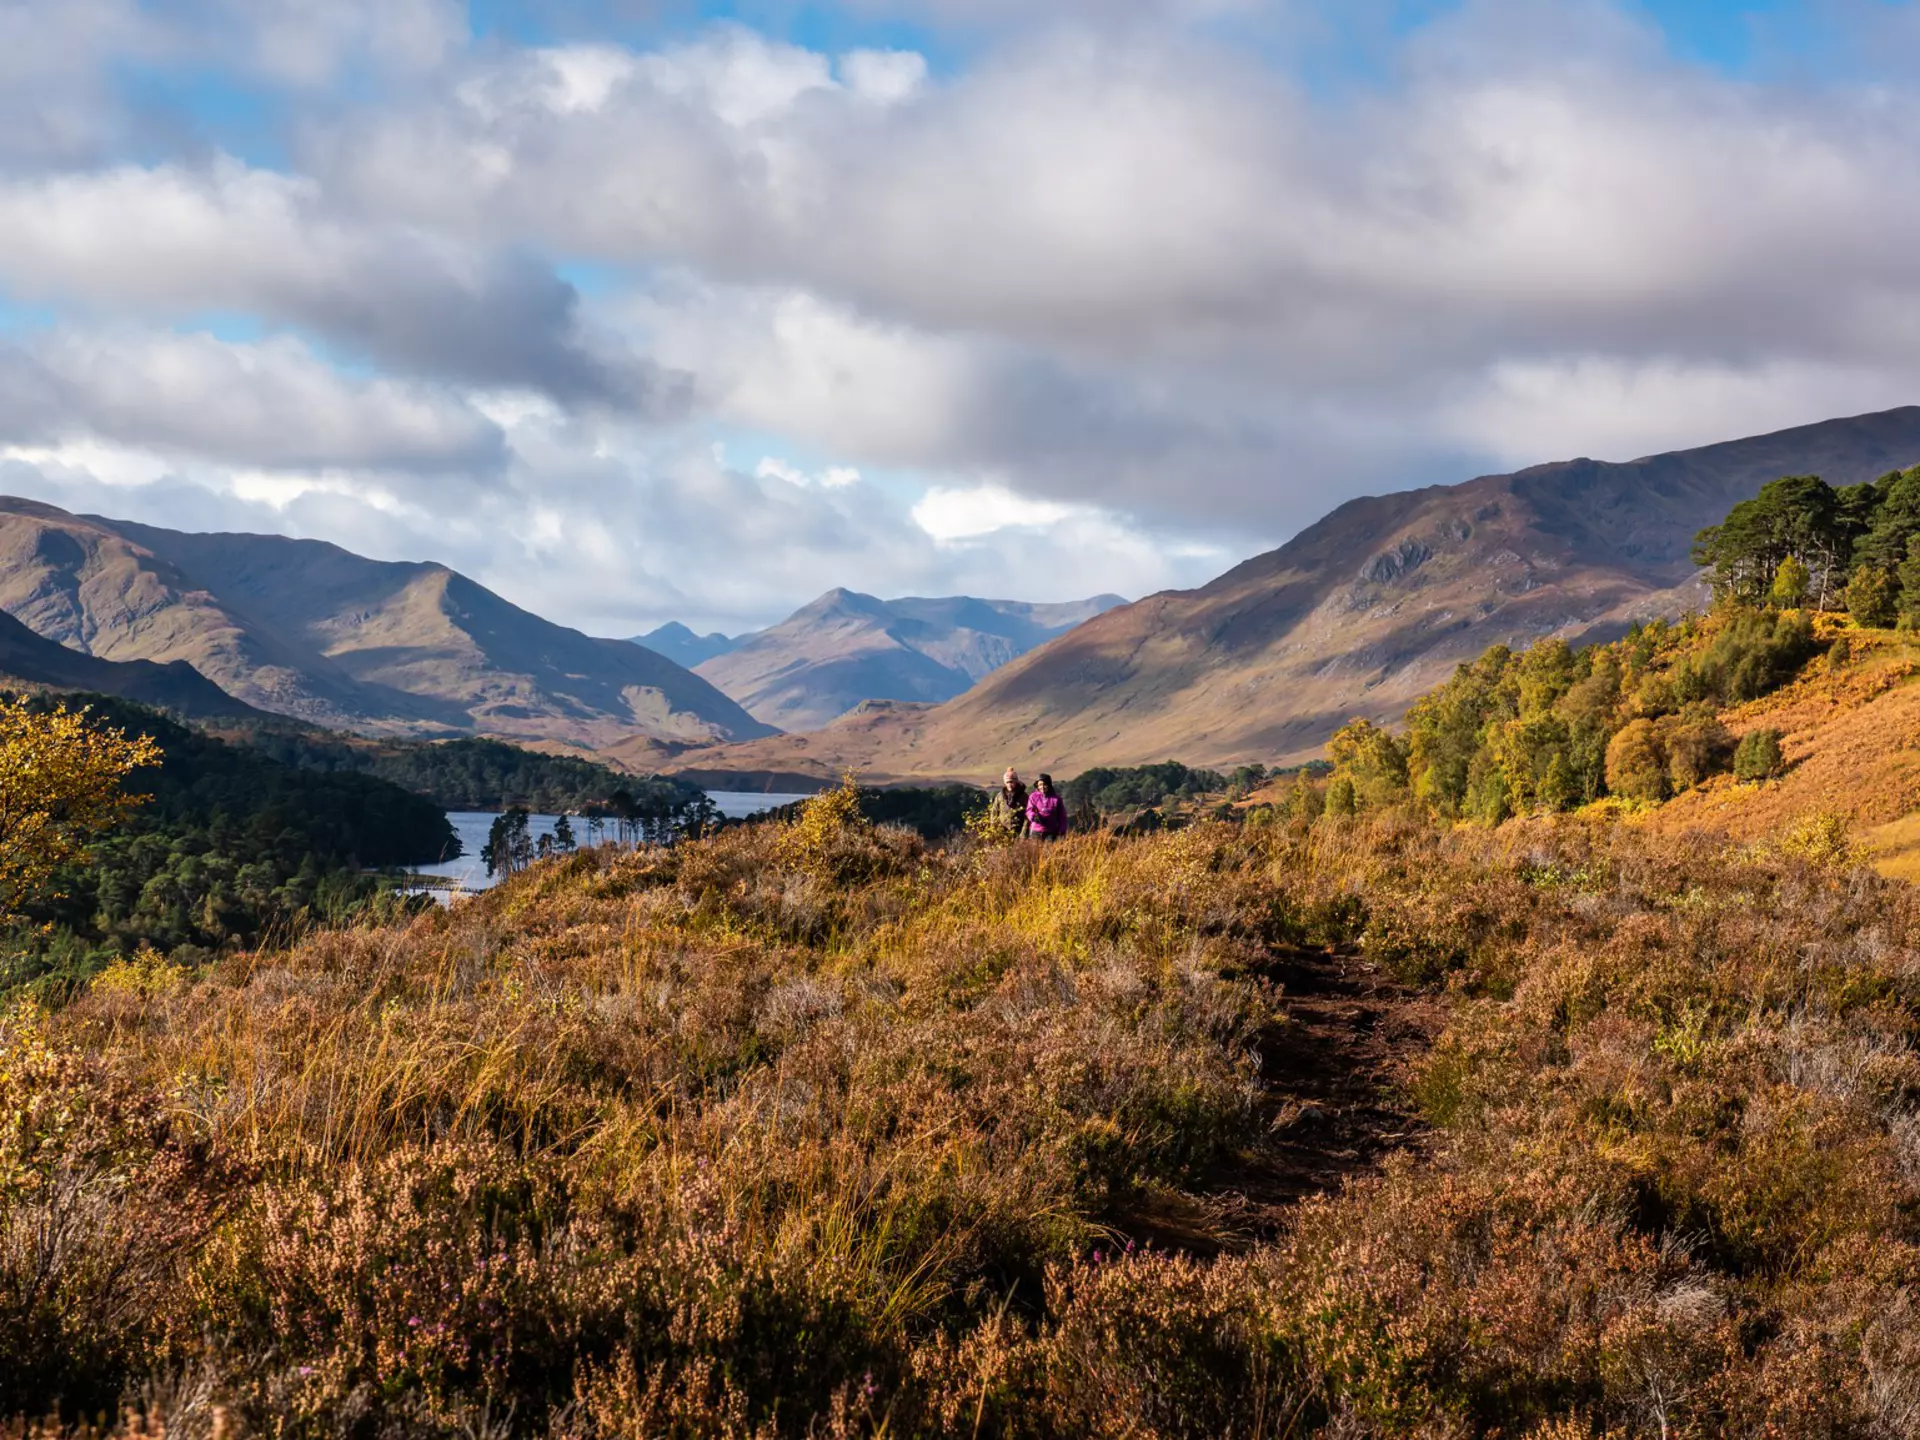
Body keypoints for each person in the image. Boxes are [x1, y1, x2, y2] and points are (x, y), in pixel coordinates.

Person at [1026, 773, 1068, 840]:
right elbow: (1029, 810)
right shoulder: (1033, 796)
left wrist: (1062, 831)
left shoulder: (1056, 799)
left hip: (1051, 832)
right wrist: (1033, 816)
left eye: (1044, 784)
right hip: (1036, 831)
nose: (1042, 787)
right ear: (1037, 786)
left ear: (1049, 785)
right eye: (1040, 785)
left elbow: (1062, 817)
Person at [988, 768, 1029, 836]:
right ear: (1005, 783)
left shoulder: (1024, 796)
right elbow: (994, 812)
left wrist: (1023, 833)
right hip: (1002, 832)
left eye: (1011, 782)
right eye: (1007, 782)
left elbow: (1027, 815)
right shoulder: (1000, 796)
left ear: (1016, 781)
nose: (1010, 784)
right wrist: (994, 827)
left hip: (1019, 831)